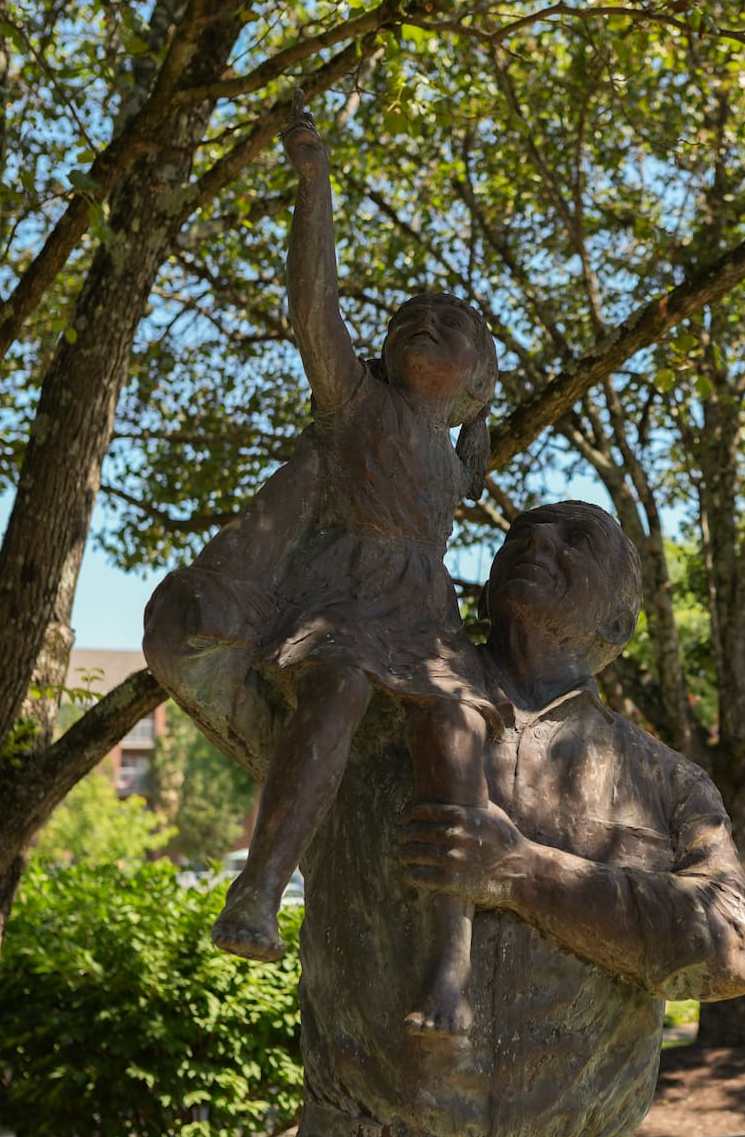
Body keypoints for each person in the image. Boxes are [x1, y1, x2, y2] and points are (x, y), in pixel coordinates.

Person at [148, 497, 745, 1137]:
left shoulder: (660, 781)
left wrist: (525, 873)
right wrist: (340, 458)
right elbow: (185, 635)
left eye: (574, 539)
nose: (536, 542)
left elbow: (729, 949)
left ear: (621, 622)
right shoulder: (355, 704)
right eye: (523, 533)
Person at [167, 104, 497, 1034]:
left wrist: (483, 435)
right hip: (347, 596)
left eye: (450, 323)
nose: (422, 322)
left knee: (456, 740)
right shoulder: (356, 402)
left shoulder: (458, 457)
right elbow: (314, 306)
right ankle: (261, 889)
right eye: (409, 317)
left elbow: (470, 471)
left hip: (423, 614)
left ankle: (448, 973)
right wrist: (314, 185)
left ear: (479, 379)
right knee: (339, 689)